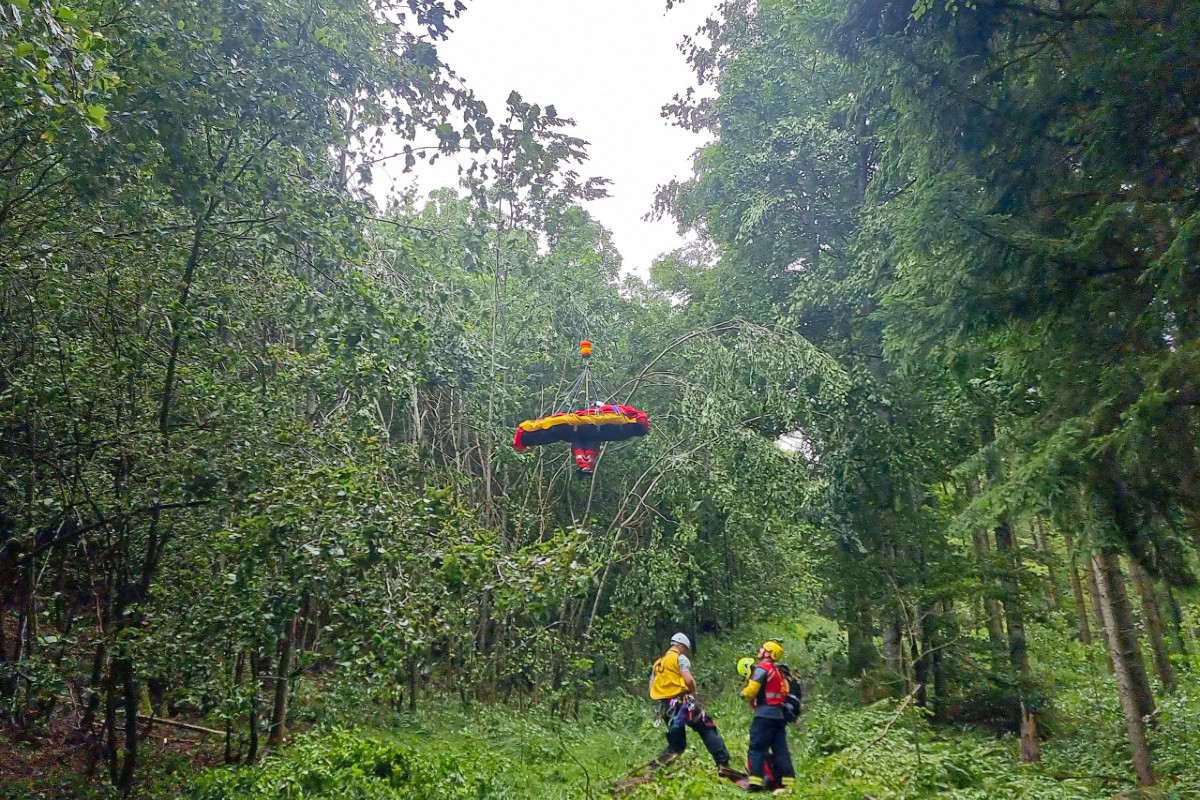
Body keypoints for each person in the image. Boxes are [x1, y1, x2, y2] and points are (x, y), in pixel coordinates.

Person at [648, 632, 737, 779]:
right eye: (686, 649)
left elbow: (651, 689)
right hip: (683, 704)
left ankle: (653, 770)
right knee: (706, 727)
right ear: (682, 646)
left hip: (666, 707)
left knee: (677, 746)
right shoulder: (680, 659)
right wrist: (694, 693)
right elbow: (688, 680)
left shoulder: (658, 663)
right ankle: (723, 764)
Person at [741, 640, 795, 794]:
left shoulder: (762, 669)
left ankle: (755, 784)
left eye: (763, 649)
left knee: (756, 749)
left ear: (768, 653)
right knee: (781, 750)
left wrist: (743, 694)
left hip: (763, 716)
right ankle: (788, 782)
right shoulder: (778, 672)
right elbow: (784, 693)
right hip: (778, 715)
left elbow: (752, 690)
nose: (760, 650)